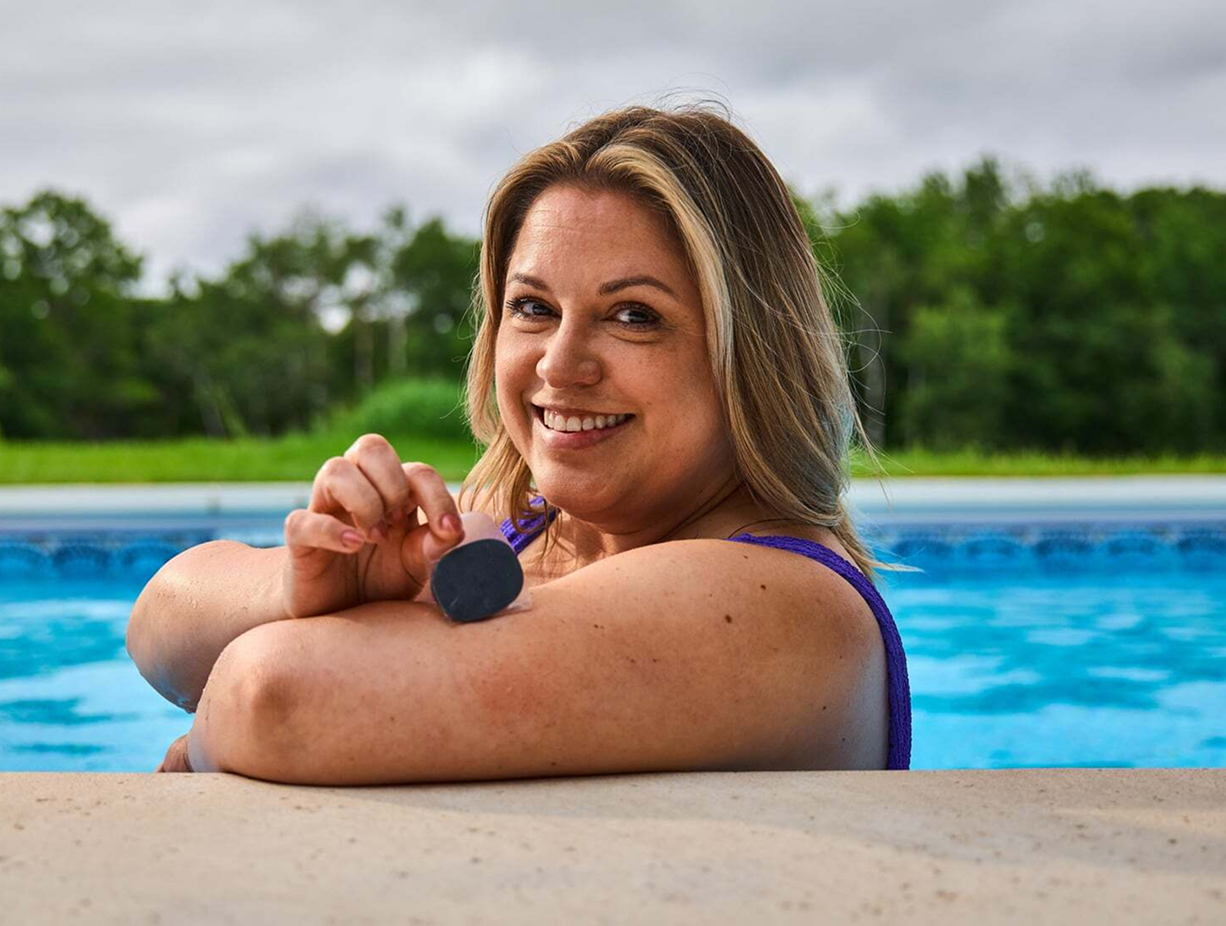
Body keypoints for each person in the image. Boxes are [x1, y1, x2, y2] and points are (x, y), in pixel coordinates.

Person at [127, 103, 911, 781]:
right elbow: (159, 623)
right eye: (533, 307)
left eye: (634, 316)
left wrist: (206, 743)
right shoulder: (517, 522)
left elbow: (275, 697)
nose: (560, 365)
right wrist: (307, 589)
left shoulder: (784, 605)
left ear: (753, 353)